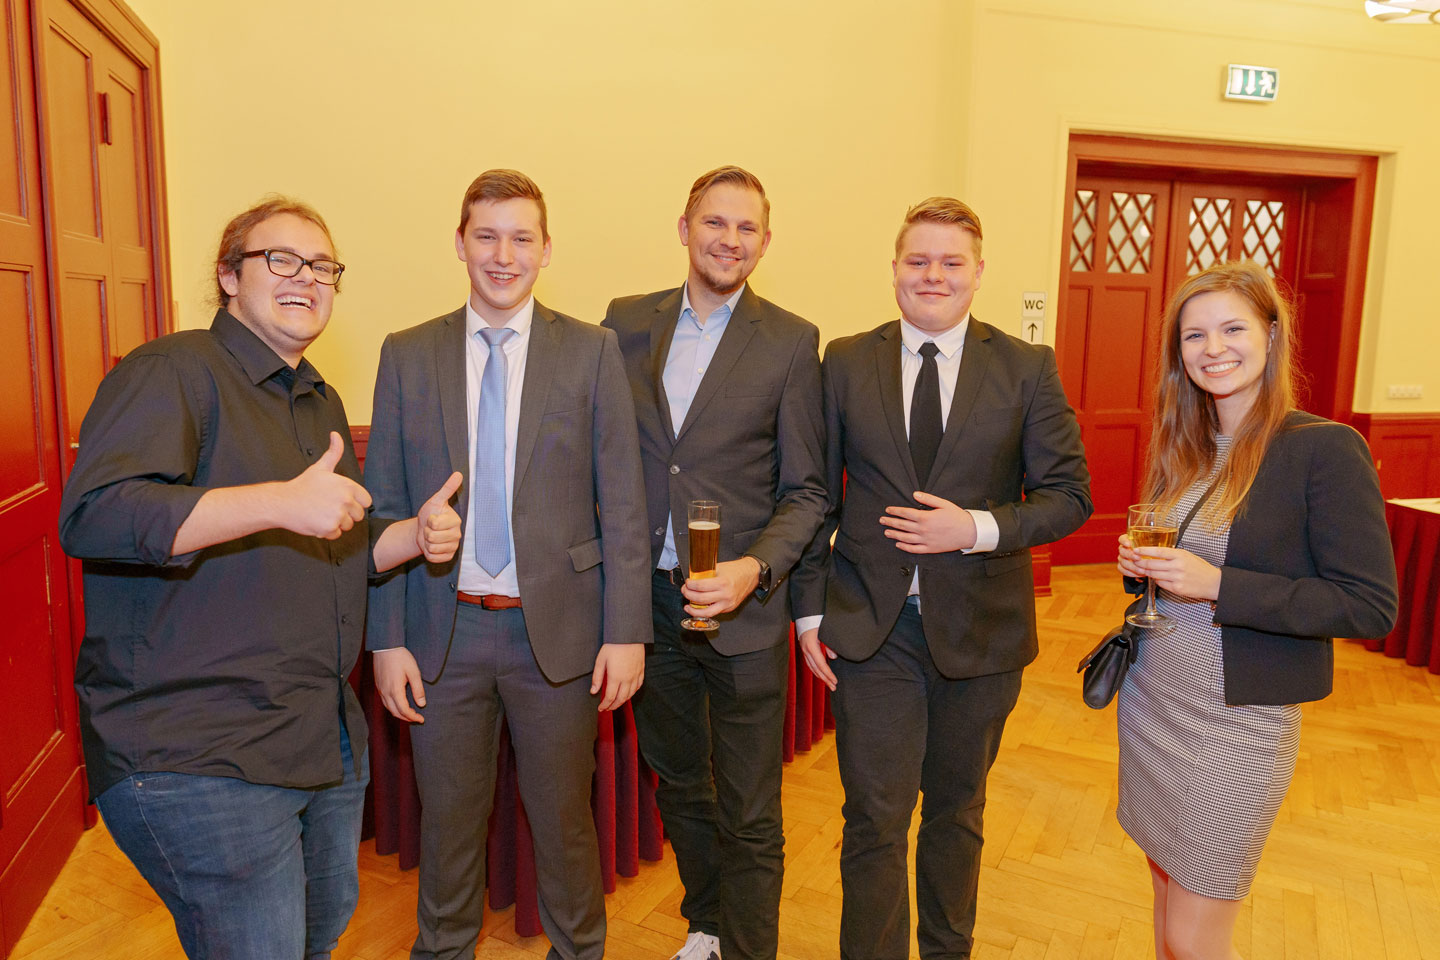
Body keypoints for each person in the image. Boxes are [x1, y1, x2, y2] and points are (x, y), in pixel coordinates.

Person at [58, 197, 460, 959]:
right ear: (227, 276)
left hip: (315, 735)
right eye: (281, 259)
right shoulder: (172, 370)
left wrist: (414, 535)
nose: (305, 276)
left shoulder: (319, 399)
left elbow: (333, 543)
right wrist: (276, 501)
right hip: (199, 749)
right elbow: (96, 516)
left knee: (319, 931)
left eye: (322, 266)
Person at [791, 197, 1092, 959]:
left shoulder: (1026, 368)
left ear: (978, 272)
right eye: (918, 260)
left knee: (958, 813)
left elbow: (1069, 497)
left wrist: (977, 528)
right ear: (894, 268)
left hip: (982, 634)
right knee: (874, 819)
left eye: (951, 262)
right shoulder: (845, 360)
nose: (934, 275)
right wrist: (807, 612)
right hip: (872, 629)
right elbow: (814, 494)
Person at [364, 169, 651, 960]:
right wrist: (386, 639)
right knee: (448, 828)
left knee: (564, 826)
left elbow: (625, 504)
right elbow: (383, 506)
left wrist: (627, 631)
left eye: (521, 238)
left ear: (546, 249)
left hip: (557, 638)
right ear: (459, 244)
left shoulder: (591, 351)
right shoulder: (407, 353)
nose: (503, 255)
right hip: (442, 634)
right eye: (486, 236)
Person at [1114, 259, 1397, 960]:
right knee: (1165, 907)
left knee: (1194, 938)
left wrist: (1218, 584)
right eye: (1194, 336)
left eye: (1232, 329)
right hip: (1154, 703)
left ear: (1271, 335)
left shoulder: (1323, 448)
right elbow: (1185, 564)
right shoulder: (1186, 446)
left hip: (1237, 722)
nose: (1213, 349)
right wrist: (1144, 569)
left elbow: (1367, 604)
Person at [601, 165, 826, 960]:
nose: (730, 240)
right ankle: (708, 925)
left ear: (765, 242)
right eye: (715, 222)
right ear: (684, 228)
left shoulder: (792, 341)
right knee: (680, 784)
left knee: (750, 809)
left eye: (746, 227)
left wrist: (754, 570)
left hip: (743, 614)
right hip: (649, 610)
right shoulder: (624, 324)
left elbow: (807, 492)